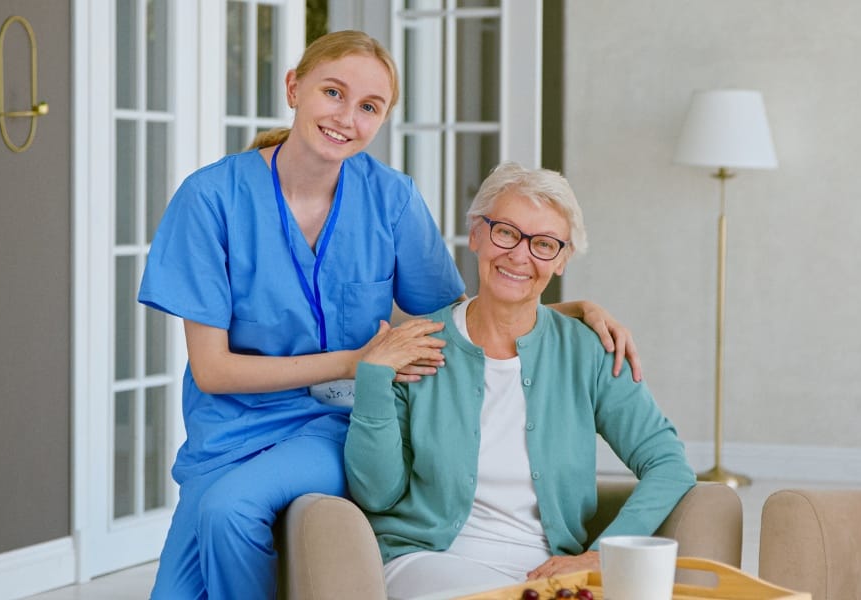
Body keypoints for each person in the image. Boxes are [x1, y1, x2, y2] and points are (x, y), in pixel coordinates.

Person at [139, 31, 640, 599]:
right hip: (226, 431)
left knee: (231, 510)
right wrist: (356, 361)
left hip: (335, 426)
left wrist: (567, 309)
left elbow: (457, 316)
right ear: (294, 87)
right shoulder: (209, 199)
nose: (346, 117)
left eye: (369, 107)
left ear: (381, 120)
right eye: (333, 92)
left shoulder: (391, 198)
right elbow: (213, 372)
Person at [344, 161, 697, 600]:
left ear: (563, 259)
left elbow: (668, 462)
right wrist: (374, 380)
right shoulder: (417, 345)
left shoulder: (587, 350)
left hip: (547, 572)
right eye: (506, 232)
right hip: (428, 561)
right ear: (476, 234)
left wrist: (601, 554)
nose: (519, 255)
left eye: (544, 244)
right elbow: (376, 495)